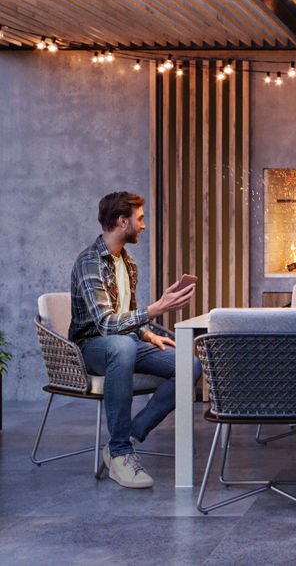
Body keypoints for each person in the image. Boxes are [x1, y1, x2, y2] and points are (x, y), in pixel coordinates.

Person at [69, 191, 202, 488]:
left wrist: (147, 334)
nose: (143, 225)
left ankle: (129, 434)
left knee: (189, 365)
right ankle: (119, 454)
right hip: (91, 347)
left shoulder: (128, 264)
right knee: (121, 345)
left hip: (125, 344)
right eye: (139, 219)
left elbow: (126, 314)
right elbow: (104, 323)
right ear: (121, 221)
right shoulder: (90, 263)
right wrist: (156, 309)